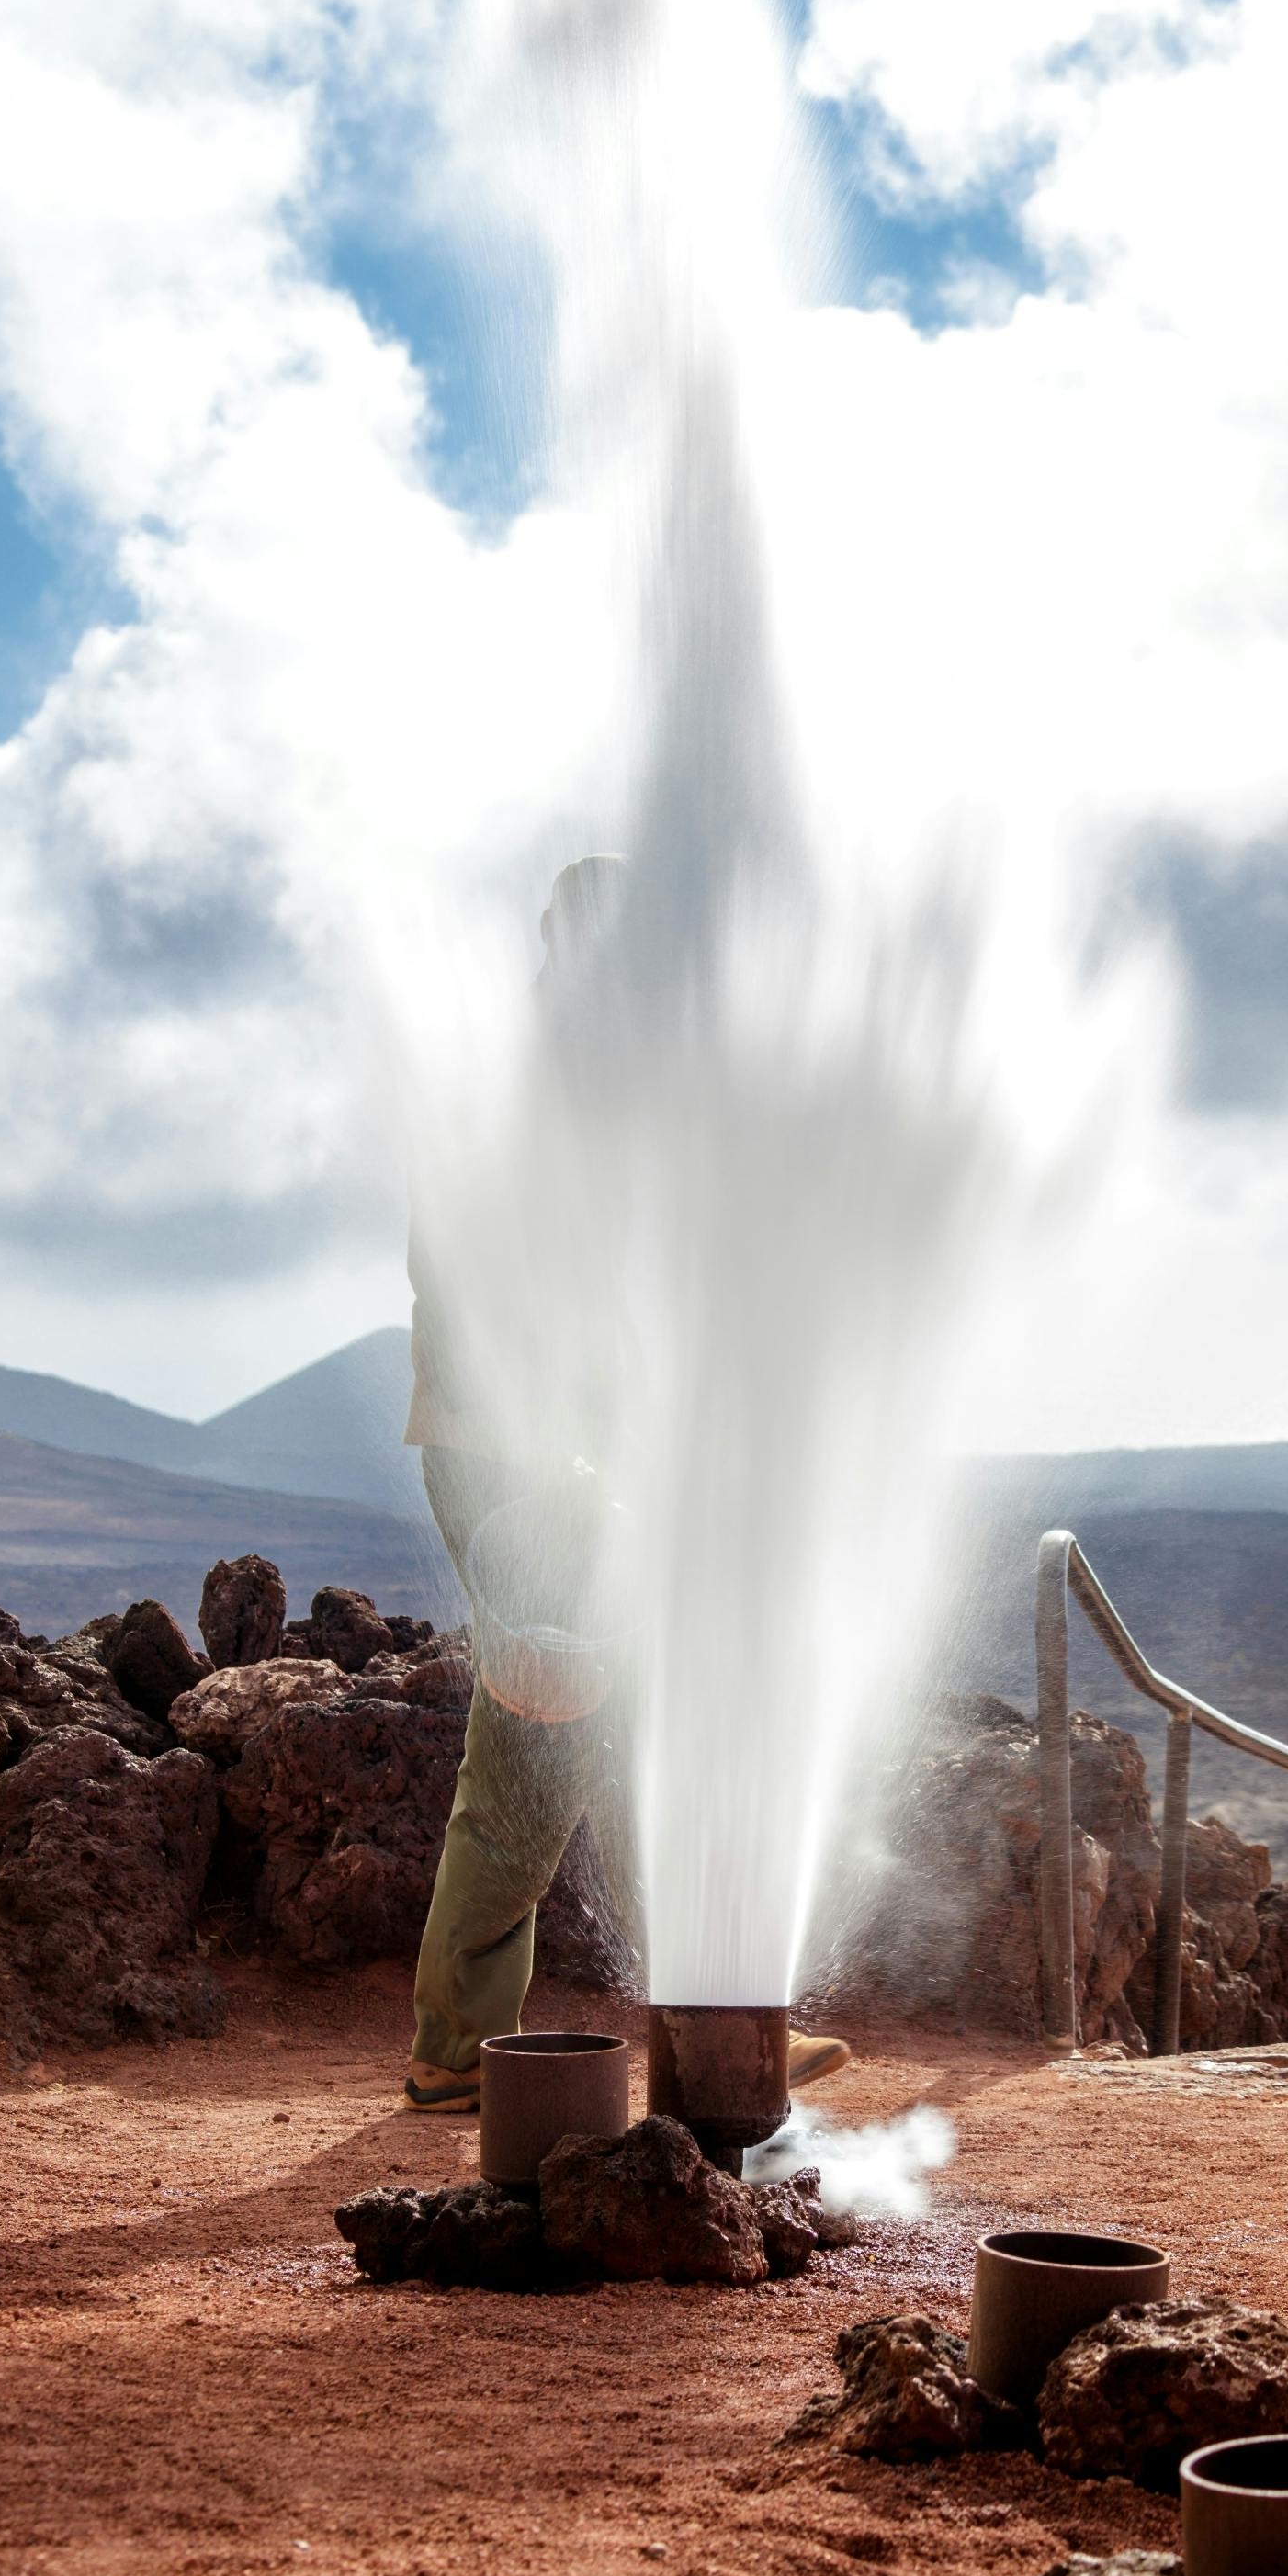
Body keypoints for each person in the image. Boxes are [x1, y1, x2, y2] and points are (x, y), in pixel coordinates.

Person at [402, 858, 849, 2112]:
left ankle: (716, 2027)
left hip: (588, 1461)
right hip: (510, 1453)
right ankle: (454, 2048)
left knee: (659, 1728)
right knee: (538, 1737)